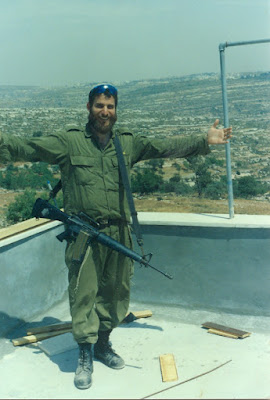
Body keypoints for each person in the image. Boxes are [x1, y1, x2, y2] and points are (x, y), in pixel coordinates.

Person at [0, 83, 232, 390]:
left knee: (116, 292)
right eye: (99, 106)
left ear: (115, 110)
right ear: (88, 108)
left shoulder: (127, 143)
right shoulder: (68, 142)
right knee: (84, 294)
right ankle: (84, 353)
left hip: (118, 232)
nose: (105, 112)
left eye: (110, 106)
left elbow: (164, 146)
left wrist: (204, 140)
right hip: (83, 234)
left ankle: (103, 344)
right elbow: (27, 147)